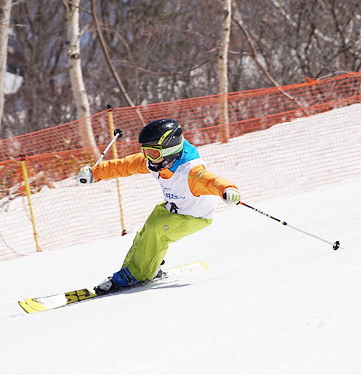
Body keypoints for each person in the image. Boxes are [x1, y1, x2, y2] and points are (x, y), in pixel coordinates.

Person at [75, 118, 241, 295]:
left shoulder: (190, 171)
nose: (147, 158)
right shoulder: (157, 161)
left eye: (152, 153)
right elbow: (125, 165)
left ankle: (138, 274)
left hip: (194, 216)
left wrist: (228, 189)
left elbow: (211, 181)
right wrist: (95, 173)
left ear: (170, 149)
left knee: (156, 232)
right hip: (173, 207)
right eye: (144, 151)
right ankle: (141, 267)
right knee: (145, 233)